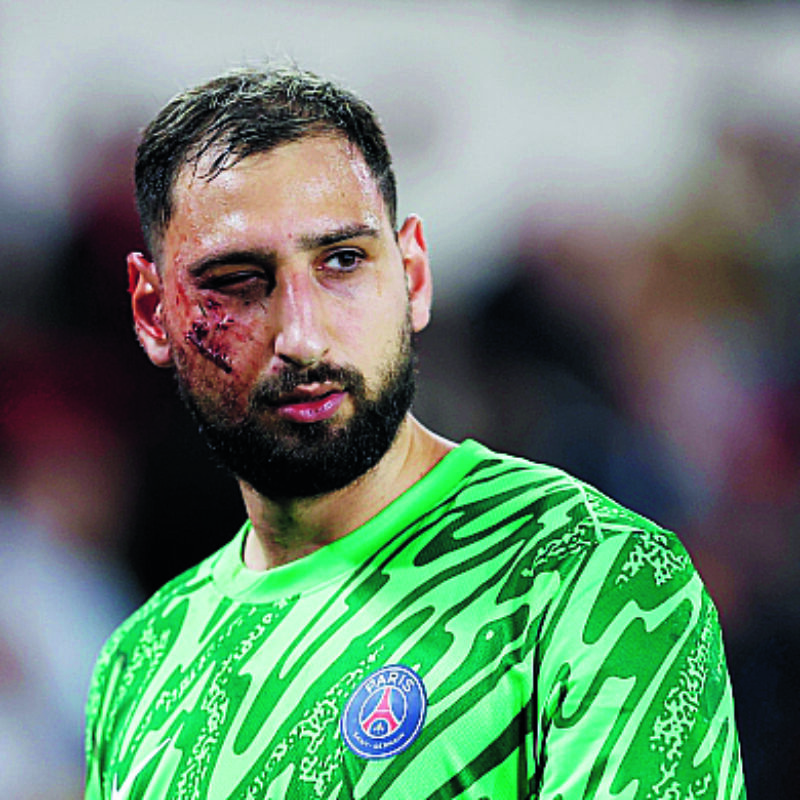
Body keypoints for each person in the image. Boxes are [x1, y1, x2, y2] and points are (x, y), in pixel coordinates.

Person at [84, 65, 746, 799]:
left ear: (413, 276)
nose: (303, 336)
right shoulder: (141, 666)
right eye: (237, 279)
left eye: (342, 262)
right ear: (152, 312)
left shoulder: (592, 580)